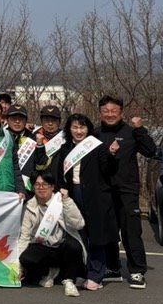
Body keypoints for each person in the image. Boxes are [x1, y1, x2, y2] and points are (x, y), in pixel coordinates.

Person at [51, 113, 119, 291]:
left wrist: (112, 154)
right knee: (78, 236)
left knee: (96, 236)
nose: (78, 131)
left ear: (88, 129)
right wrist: (62, 188)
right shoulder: (65, 148)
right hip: (73, 195)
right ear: (69, 129)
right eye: (75, 127)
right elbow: (59, 173)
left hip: (96, 196)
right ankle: (81, 271)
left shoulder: (97, 147)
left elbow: (108, 171)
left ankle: (96, 274)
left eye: (82, 127)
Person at [94, 95, 155, 289]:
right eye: (106, 111)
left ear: (121, 113)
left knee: (131, 231)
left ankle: (137, 271)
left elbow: (150, 151)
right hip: (104, 190)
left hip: (127, 190)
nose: (110, 114)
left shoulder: (131, 132)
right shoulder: (94, 134)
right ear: (100, 113)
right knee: (108, 231)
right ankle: (113, 268)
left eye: (114, 111)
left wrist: (140, 129)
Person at [17, 171, 86, 297]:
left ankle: (69, 279)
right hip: (42, 246)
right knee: (26, 258)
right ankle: (48, 272)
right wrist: (18, 267)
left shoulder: (61, 201)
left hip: (62, 245)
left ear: (52, 187)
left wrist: (67, 201)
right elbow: (24, 236)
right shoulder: (29, 206)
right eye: (37, 185)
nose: (41, 188)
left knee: (74, 246)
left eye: (45, 184)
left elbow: (79, 224)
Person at [31, 105, 64, 172]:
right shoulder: (32, 137)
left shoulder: (65, 137)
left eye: (54, 120)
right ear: (41, 121)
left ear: (59, 121)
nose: (50, 123)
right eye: (46, 120)